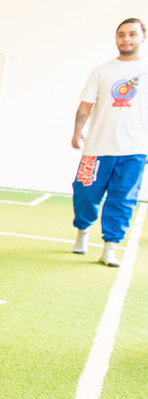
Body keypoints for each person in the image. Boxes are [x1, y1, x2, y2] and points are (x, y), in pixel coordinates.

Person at [70, 18, 148, 268]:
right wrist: (77, 132)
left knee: (122, 199)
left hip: (135, 149)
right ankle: (82, 230)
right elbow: (86, 104)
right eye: (121, 34)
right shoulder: (102, 70)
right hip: (97, 147)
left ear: (143, 37)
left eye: (132, 34)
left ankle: (110, 248)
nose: (126, 39)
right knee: (85, 194)